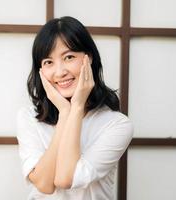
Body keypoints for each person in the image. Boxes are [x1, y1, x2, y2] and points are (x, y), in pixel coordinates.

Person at [16, 16, 133, 200]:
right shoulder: (28, 117)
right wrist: (64, 113)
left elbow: (65, 179)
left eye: (69, 57)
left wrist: (76, 107)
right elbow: (44, 185)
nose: (60, 71)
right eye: (48, 62)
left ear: (89, 58)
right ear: (40, 70)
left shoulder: (116, 125)